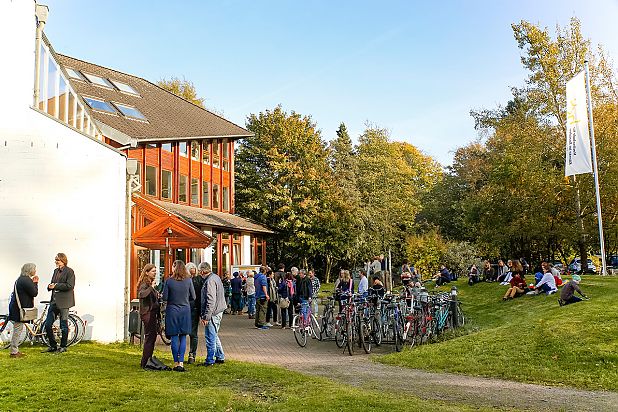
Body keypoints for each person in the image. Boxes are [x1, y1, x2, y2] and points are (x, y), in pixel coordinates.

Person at [162, 260, 195, 372]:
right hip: (185, 310)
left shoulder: (169, 281)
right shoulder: (189, 281)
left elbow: (165, 297)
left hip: (172, 311)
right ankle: (181, 362)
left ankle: (176, 362)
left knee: (174, 337)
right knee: (183, 337)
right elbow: (193, 296)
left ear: (174, 268)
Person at [43, 253, 75, 354]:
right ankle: (53, 346)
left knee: (63, 325)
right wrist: (50, 286)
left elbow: (70, 285)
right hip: (54, 301)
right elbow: (53, 283)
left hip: (64, 302)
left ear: (63, 260)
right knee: (48, 324)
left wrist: (56, 286)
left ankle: (63, 346)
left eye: (58, 260)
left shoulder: (69, 271)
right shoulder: (55, 271)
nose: (56, 261)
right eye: (55, 259)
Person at [8, 263, 38, 358]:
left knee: (18, 329)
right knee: (18, 330)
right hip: (19, 310)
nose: (35, 271)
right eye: (34, 269)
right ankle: (14, 352)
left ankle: (14, 350)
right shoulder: (26, 280)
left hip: (16, 308)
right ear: (29, 270)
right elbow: (34, 293)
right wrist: (36, 283)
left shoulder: (20, 279)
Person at [199, 262, 226, 366]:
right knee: (214, 335)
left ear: (202, 271)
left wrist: (206, 316)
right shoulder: (216, 277)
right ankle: (220, 356)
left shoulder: (209, 281)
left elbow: (210, 300)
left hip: (213, 313)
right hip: (218, 310)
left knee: (210, 336)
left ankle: (210, 360)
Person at [137, 264, 160, 369]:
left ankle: (148, 359)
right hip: (147, 313)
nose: (155, 273)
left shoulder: (149, 283)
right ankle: (145, 361)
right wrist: (152, 288)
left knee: (152, 336)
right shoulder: (144, 284)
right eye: (153, 271)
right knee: (149, 337)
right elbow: (142, 295)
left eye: (155, 271)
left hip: (152, 313)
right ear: (147, 272)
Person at [187, 262, 203, 365]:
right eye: (191, 268)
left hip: (192, 308)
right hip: (193, 308)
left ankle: (191, 354)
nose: (193, 270)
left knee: (192, 333)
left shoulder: (185, 280)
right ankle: (192, 354)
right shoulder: (199, 280)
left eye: (194, 268)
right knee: (193, 333)